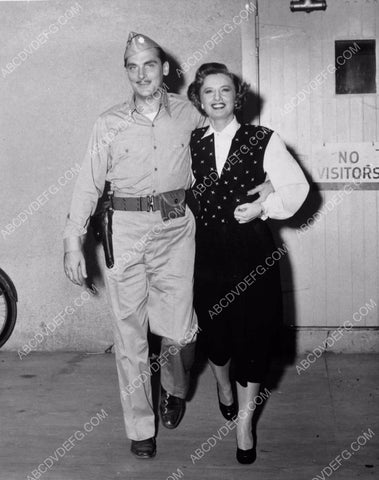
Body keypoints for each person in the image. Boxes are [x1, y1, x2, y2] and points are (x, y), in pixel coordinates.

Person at [63, 32, 205, 459]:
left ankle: (176, 387)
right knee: (130, 337)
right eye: (132, 66)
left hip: (176, 229)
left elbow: (227, 152)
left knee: (180, 330)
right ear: (126, 72)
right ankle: (141, 427)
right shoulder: (108, 122)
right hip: (123, 230)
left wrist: (269, 179)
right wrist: (73, 240)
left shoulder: (189, 115)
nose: (141, 74)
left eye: (148, 64)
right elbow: (88, 182)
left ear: (165, 69)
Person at [187, 63, 309, 464]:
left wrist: (263, 206)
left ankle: (244, 422)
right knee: (217, 337)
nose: (218, 97)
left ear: (237, 96)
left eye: (225, 90)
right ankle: (222, 386)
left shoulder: (262, 138)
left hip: (253, 254)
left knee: (254, 336)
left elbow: (297, 187)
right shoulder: (192, 142)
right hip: (207, 254)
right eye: (209, 92)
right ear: (199, 99)